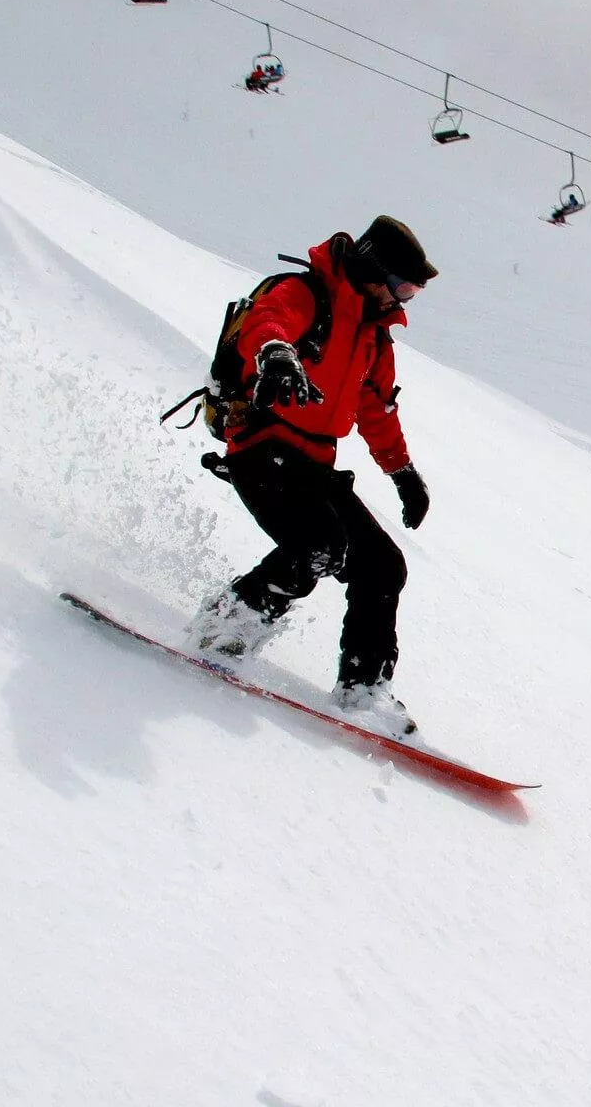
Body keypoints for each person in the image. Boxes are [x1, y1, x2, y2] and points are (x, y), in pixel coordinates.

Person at [187, 216, 438, 738]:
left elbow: (375, 411)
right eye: (403, 286)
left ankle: (362, 689)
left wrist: (403, 472)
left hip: (315, 464)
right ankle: (221, 631)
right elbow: (268, 324)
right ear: (372, 268)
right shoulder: (305, 295)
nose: (405, 300)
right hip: (261, 446)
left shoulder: (373, 337)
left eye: (412, 291)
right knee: (317, 545)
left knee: (382, 566)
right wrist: (275, 354)